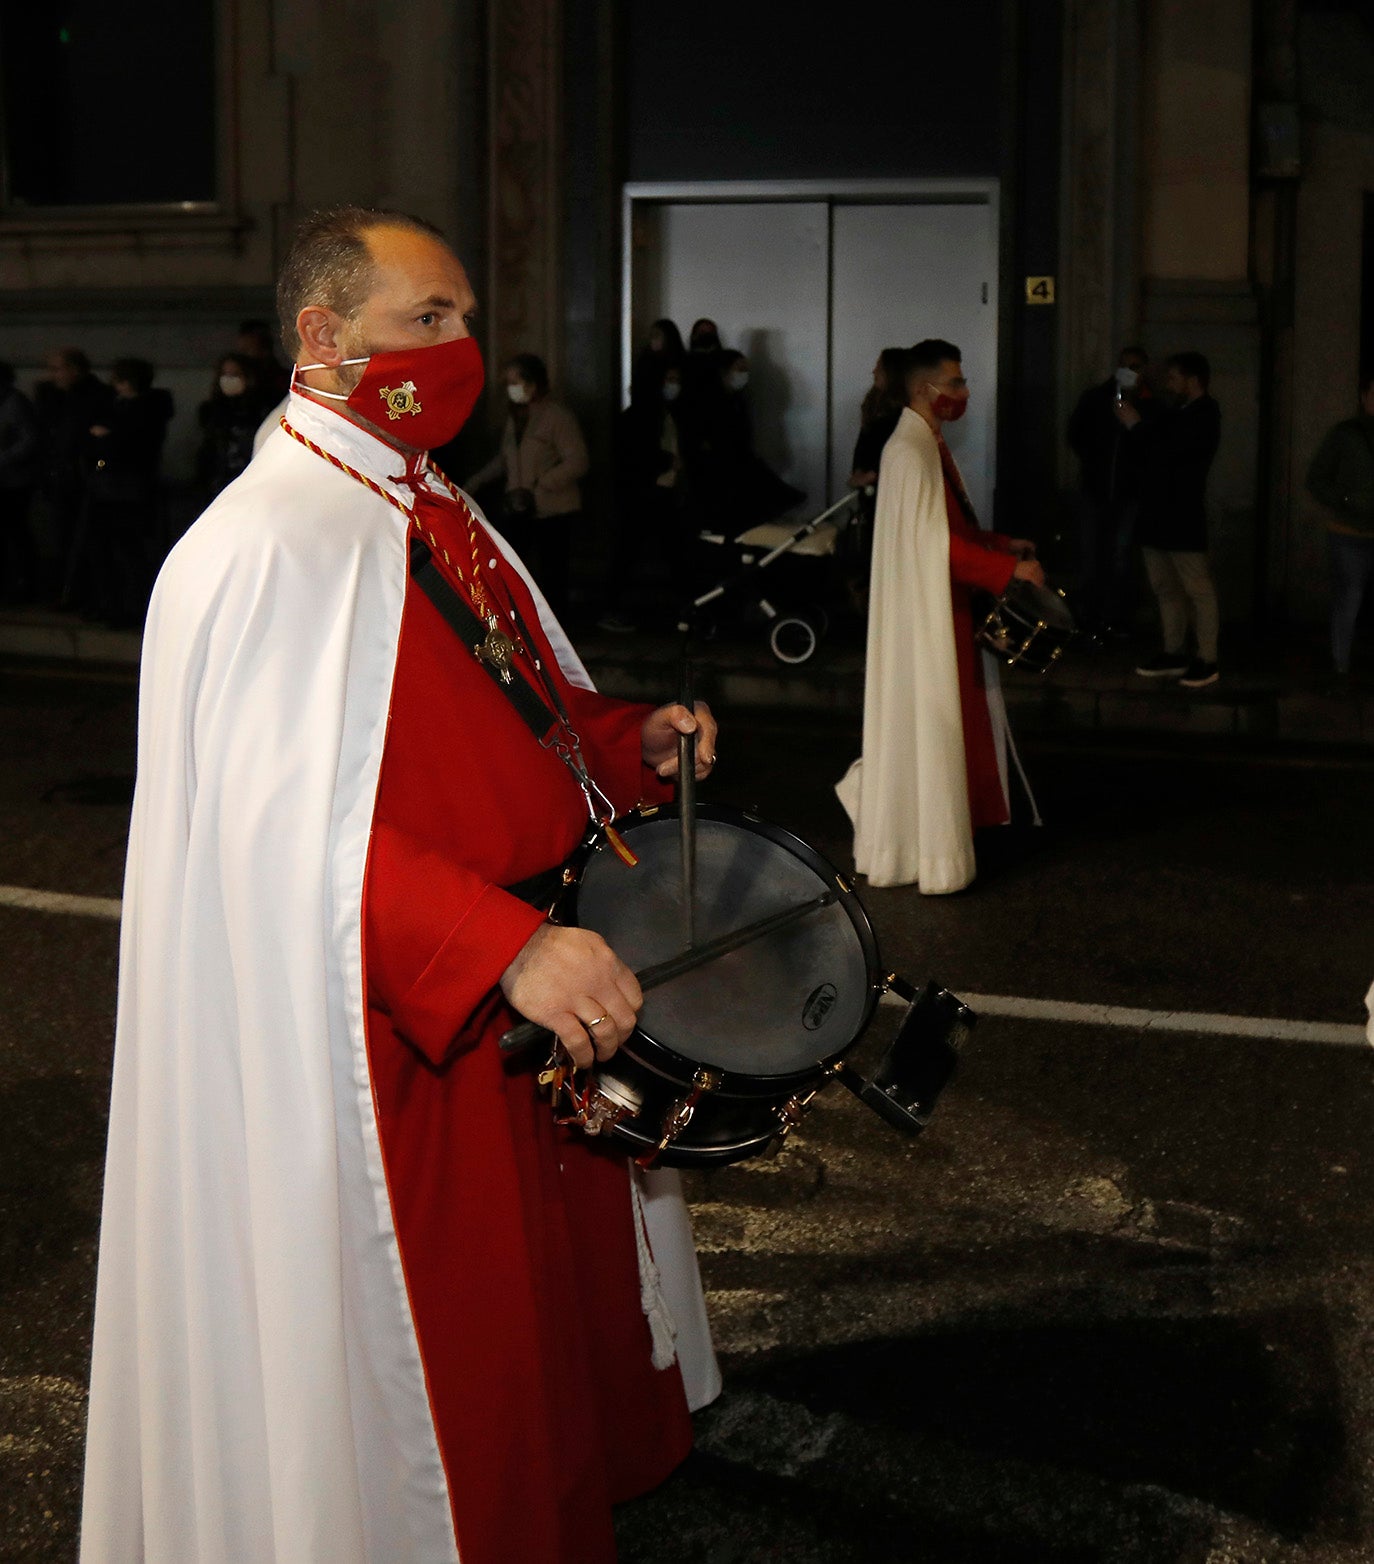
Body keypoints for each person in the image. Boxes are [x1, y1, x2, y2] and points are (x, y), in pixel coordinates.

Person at [80, 205, 722, 1564]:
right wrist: (495, 944)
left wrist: (622, 741)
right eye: (426, 319)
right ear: (322, 338)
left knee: (546, 1318)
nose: (463, 347)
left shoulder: (424, 496)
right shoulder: (261, 542)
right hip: (404, 1034)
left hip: (525, 975)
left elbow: (517, 706)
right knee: (455, 1349)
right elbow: (268, 833)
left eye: (468, 318)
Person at [836, 338, 1042, 893]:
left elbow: (945, 531)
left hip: (941, 609)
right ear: (927, 389)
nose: (963, 392)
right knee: (935, 724)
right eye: (955, 382)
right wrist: (1007, 571)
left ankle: (925, 840)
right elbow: (934, 545)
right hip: (932, 616)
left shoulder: (921, 442)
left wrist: (1001, 547)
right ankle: (927, 849)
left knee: (942, 727)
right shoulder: (910, 448)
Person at [1121, 350, 1222, 688]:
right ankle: (1174, 650)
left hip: (1181, 513)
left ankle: (1207, 657)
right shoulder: (1174, 412)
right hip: (1157, 511)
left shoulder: (1205, 414)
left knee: (1197, 588)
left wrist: (1136, 425)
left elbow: (1169, 451)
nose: (1169, 383)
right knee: (1165, 587)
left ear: (1192, 380)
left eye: (1174, 377)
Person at [465, 351, 589, 619]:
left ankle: (557, 631)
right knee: (516, 568)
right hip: (519, 506)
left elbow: (577, 460)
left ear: (533, 384)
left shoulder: (557, 417)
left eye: (516, 382)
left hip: (553, 507)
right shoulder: (515, 418)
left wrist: (542, 483)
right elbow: (507, 458)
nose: (512, 389)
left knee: (553, 572)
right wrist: (476, 481)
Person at [70, 357, 173, 624]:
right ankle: (109, 604)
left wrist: (108, 439)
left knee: (128, 552)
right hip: (110, 487)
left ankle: (128, 607)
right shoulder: (118, 406)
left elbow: (136, 446)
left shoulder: (145, 410)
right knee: (105, 550)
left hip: (128, 488)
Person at [1067, 344, 1153, 634]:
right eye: (1124, 365)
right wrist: (1094, 458)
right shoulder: (1096, 398)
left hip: (1128, 492)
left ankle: (1116, 617)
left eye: (1135, 367)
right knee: (1090, 553)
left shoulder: (1148, 404)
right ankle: (1088, 615)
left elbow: (1153, 445)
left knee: (1121, 554)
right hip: (1096, 488)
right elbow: (1075, 434)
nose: (1128, 372)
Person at [689, 349, 804, 533]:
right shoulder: (709, 402)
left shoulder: (738, 400)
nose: (743, 374)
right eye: (739, 369)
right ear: (724, 371)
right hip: (719, 470)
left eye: (745, 370)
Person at [1305, 372, 1374, 680]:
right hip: (1348, 532)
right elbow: (1316, 479)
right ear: (1364, 396)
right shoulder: (1345, 434)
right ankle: (1340, 665)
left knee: (1351, 597)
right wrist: (1345, 500)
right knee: (1349, 598)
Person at [33, 346, 112, 600]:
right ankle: (68, 589)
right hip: (61, 476)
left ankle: (85, 592)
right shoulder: (54, 398)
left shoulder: (96, 397)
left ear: (75, 370)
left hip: (85, 477)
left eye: (58, 369)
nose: (52, 375)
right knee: (63, 536)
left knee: (87, 539)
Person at [846, 346, 910, 589]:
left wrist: (869, 475)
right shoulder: (876, 408)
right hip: (870, 495)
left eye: (879, 367)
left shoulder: (899, 416)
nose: (873, 371)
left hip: (886, 499)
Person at [196, 351, 273, 500]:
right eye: (225, 374)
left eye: (235, 374)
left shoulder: (261, 410)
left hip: (249, 481)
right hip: (219, 481)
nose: (229, 380)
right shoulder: (212, 410)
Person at [0, 360, 40, 603]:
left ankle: (23, 584)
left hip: (13, 482)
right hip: (6, 478)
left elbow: (30, 440)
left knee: (14, 533)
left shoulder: (14, 403)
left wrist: (3, 459)